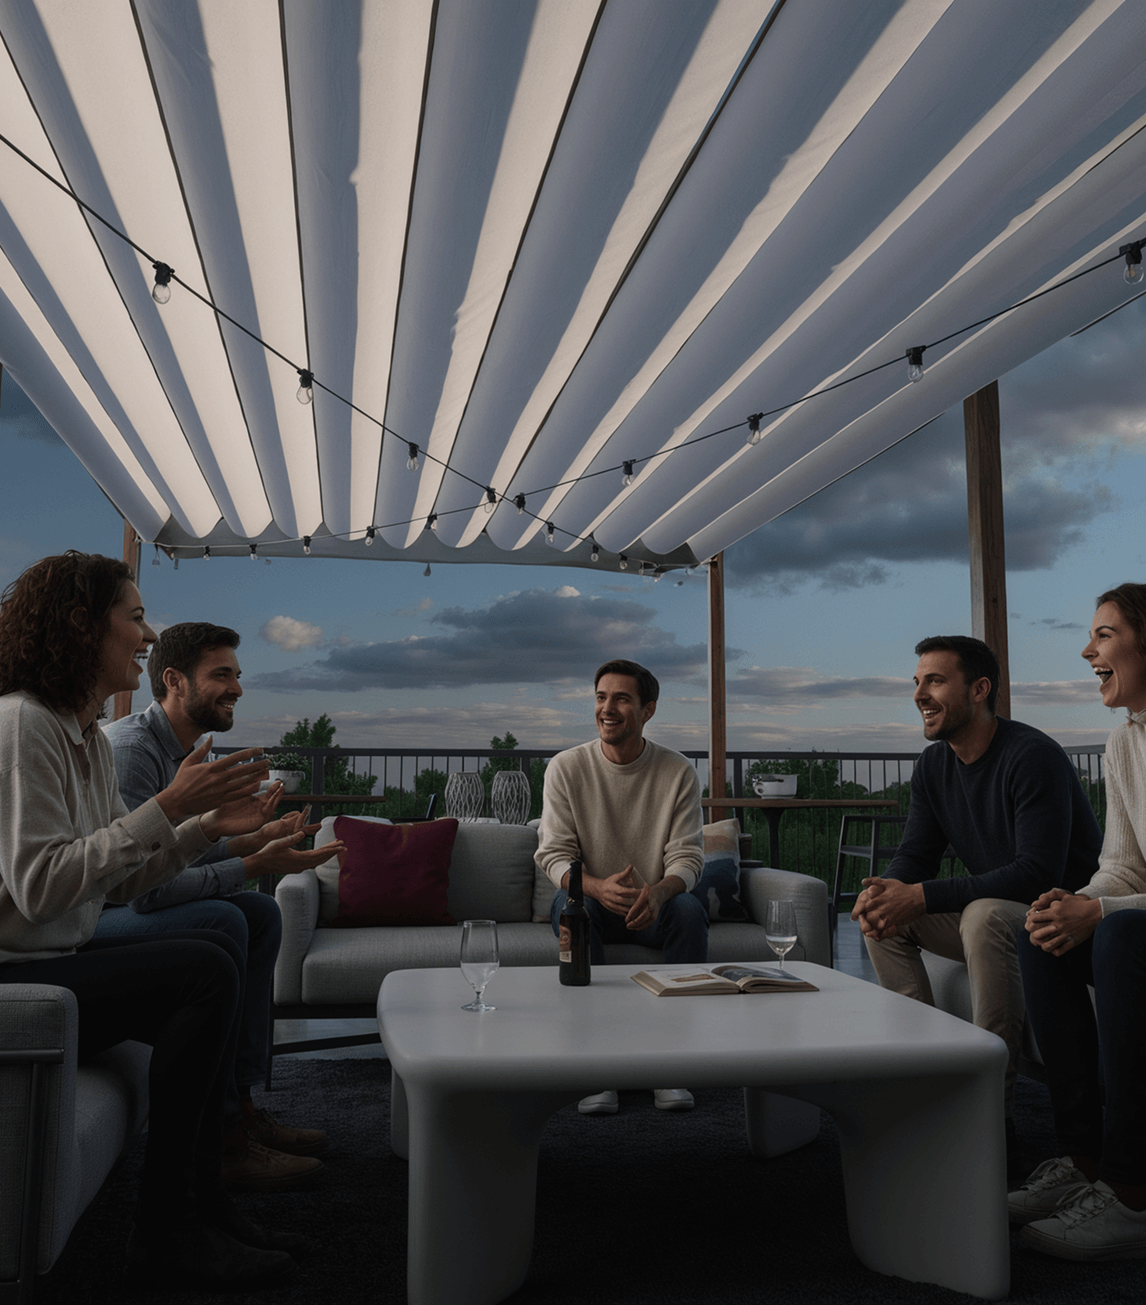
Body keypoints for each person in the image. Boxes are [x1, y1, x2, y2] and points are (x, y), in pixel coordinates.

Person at [0, 551, 300, 1289]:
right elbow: (41, 888)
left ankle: (201, 1198)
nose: (146, 633)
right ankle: (168, 1226)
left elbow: (124, 875)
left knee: (217, 957)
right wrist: (169, 808)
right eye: (134, 617)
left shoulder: (81, 735)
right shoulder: (23, 726)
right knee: (204, 965)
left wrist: (201, 829)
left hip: (59, 955)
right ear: (80, 626)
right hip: (22, 971)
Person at [95, 622, 340, 1190]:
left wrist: (254, 842)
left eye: (237, 674)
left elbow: (176, 855)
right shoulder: (134, 753)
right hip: (93, 922)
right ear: (175, 681)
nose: (237, 687)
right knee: (228, 915)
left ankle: (242, 1108)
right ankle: (225, 1134)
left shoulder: (184, 749)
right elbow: (144, 887)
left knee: (261, 913)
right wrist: (252, 865)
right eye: (222, 675)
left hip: (125, 902)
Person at [852, 635, 1102, 1164]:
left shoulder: (1032, 756)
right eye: (917, 682)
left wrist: (920, 895)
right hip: (1004, 918)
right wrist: (886, 890)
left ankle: (994, 1116)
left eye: (935, 681)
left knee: (982, 915)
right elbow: (915, 856)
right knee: (881, 916)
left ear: (979, 689)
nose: (920, 693)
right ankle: (925, 1080)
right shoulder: (933, 766)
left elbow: (1038, 872)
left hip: (1066, 921)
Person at [1010, 583, 1146, 1259]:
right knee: (1042, 932)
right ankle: (1081, 1159)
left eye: (1104, 633)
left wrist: (1103, 911)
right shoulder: (1123, 743)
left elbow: (1120, 907)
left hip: (1139, 930)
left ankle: (1132, 1193)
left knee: (1116, 931)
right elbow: (1122, 864)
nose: (1087, 649)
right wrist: (1078, 901)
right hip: (1139, 919)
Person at [537, 658, 706, 1114]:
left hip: (651, 909)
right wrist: (594, 887)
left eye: (621, 699)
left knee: (689, 911)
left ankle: (671, 1065)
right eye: (600, 697)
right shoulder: (566, 768)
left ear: (648, 709)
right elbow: (552, 855)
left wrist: (659, 892)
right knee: (571, 907)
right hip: (588, 903)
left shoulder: (678, 771)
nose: (607, 708)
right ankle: (596, 1068)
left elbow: (688, 857)